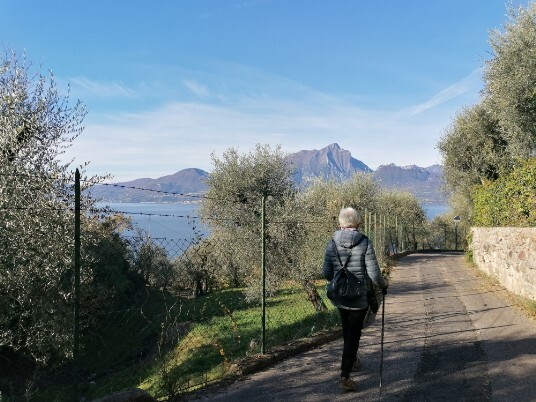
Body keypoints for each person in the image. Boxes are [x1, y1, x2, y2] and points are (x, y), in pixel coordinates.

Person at [323, 207, 388, 392]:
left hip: (340, 296)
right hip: (359, 297)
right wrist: (383, 285)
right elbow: (374, 274)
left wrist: (341, 281)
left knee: (347, 330)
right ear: (358, 222)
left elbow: (327, 273)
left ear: (340, 223)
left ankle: (352, 361)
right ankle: (345, 374)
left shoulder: (332, 244)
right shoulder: (364, 242)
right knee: (354, 336)